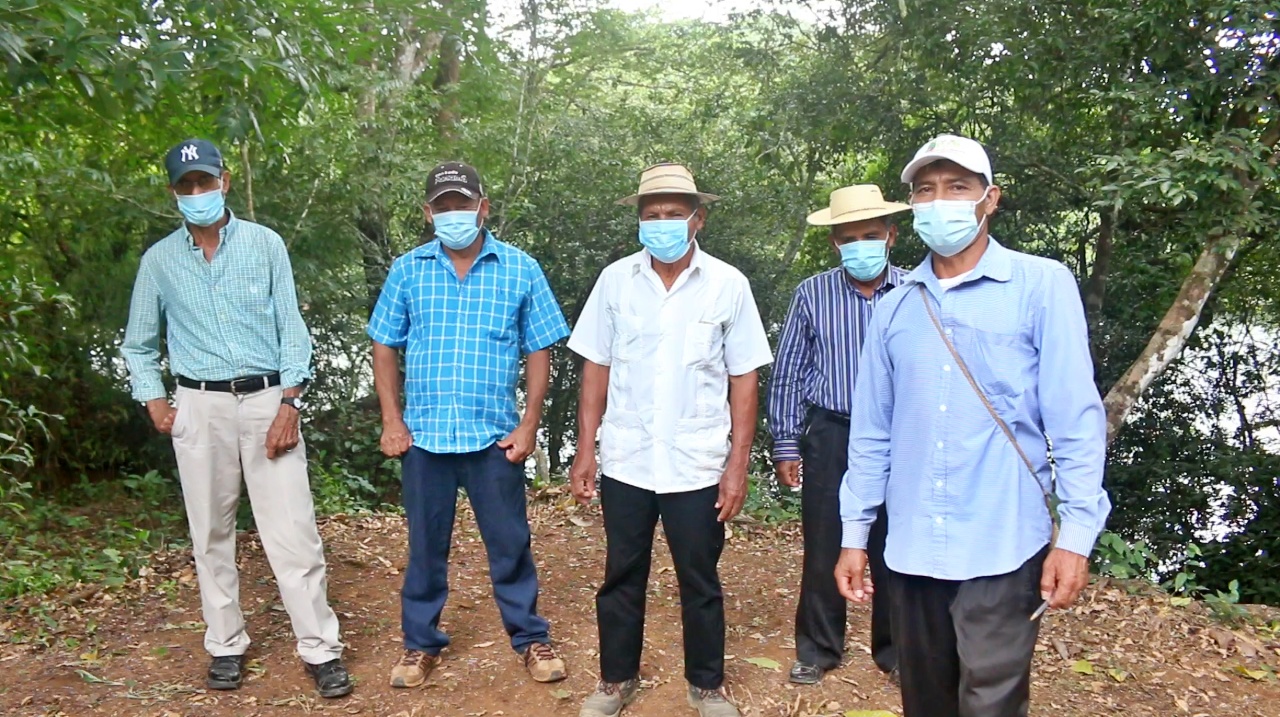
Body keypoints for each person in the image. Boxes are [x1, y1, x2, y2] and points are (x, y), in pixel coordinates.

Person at [833, 134, 1111, 717]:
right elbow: (872, 432)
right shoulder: (895, 306)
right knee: (924, 699)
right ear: (910, 207)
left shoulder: (1042, 285)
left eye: (957, 187)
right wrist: (854, 535)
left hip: (1002, 542)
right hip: (911, 549)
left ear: (990, 199)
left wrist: (1076, 536)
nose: (940, 202)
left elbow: (1075, 418)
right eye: (925, 190)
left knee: (991, 701)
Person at [121, 139, 352, 698]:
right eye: (186, 185)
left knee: (293, 531)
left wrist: (290, 401)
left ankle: (320, 648)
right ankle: (226, 645)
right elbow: (138, 343)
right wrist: (156, 401)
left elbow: (292, 328)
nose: (197, 193)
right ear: (175, 192)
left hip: (267, 399)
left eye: (205, 181)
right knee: (210, 533)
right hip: (199, 406)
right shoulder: (160, 260)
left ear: (224, 181)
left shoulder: (265, 244)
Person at [568, 164, 773, 717]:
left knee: (700, 578)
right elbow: (596, 368)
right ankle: (616, 680)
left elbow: (744, 377)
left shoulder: (728, 285)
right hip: (629, 460)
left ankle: (706, 685)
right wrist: (586, 450)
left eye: (672, 214)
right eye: (651, 215)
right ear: (639, 221)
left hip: (697, 462)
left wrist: (738, 463)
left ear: (697, 219)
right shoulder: (615, 281)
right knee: (621, 574)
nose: (661, 224)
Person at [368, 161, 571, 690]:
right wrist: (392, 420)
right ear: (428, 212)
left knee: (510, 542)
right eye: (443, 205)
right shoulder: (408, 270)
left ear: (483, 207)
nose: (453, 213)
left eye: (462, 203)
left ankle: (530, 638)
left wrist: (530, 423)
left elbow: (539, 349)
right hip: (425, 437)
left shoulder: (521, 269)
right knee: (425, 545)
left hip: (493, 436)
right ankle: (419, 645)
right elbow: (384, 344)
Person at [767, 185, 910, 685]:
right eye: (849, 238)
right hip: (832, 432)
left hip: (901, 435)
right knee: (826, 540)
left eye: (870, 235)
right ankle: (819, 648)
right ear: (834, 244)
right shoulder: (813, 294)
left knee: (896, 541)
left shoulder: (916, 291)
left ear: (890, 236)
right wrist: (785, 442)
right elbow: (789, 372)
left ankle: (895, 650)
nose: (860, 246)